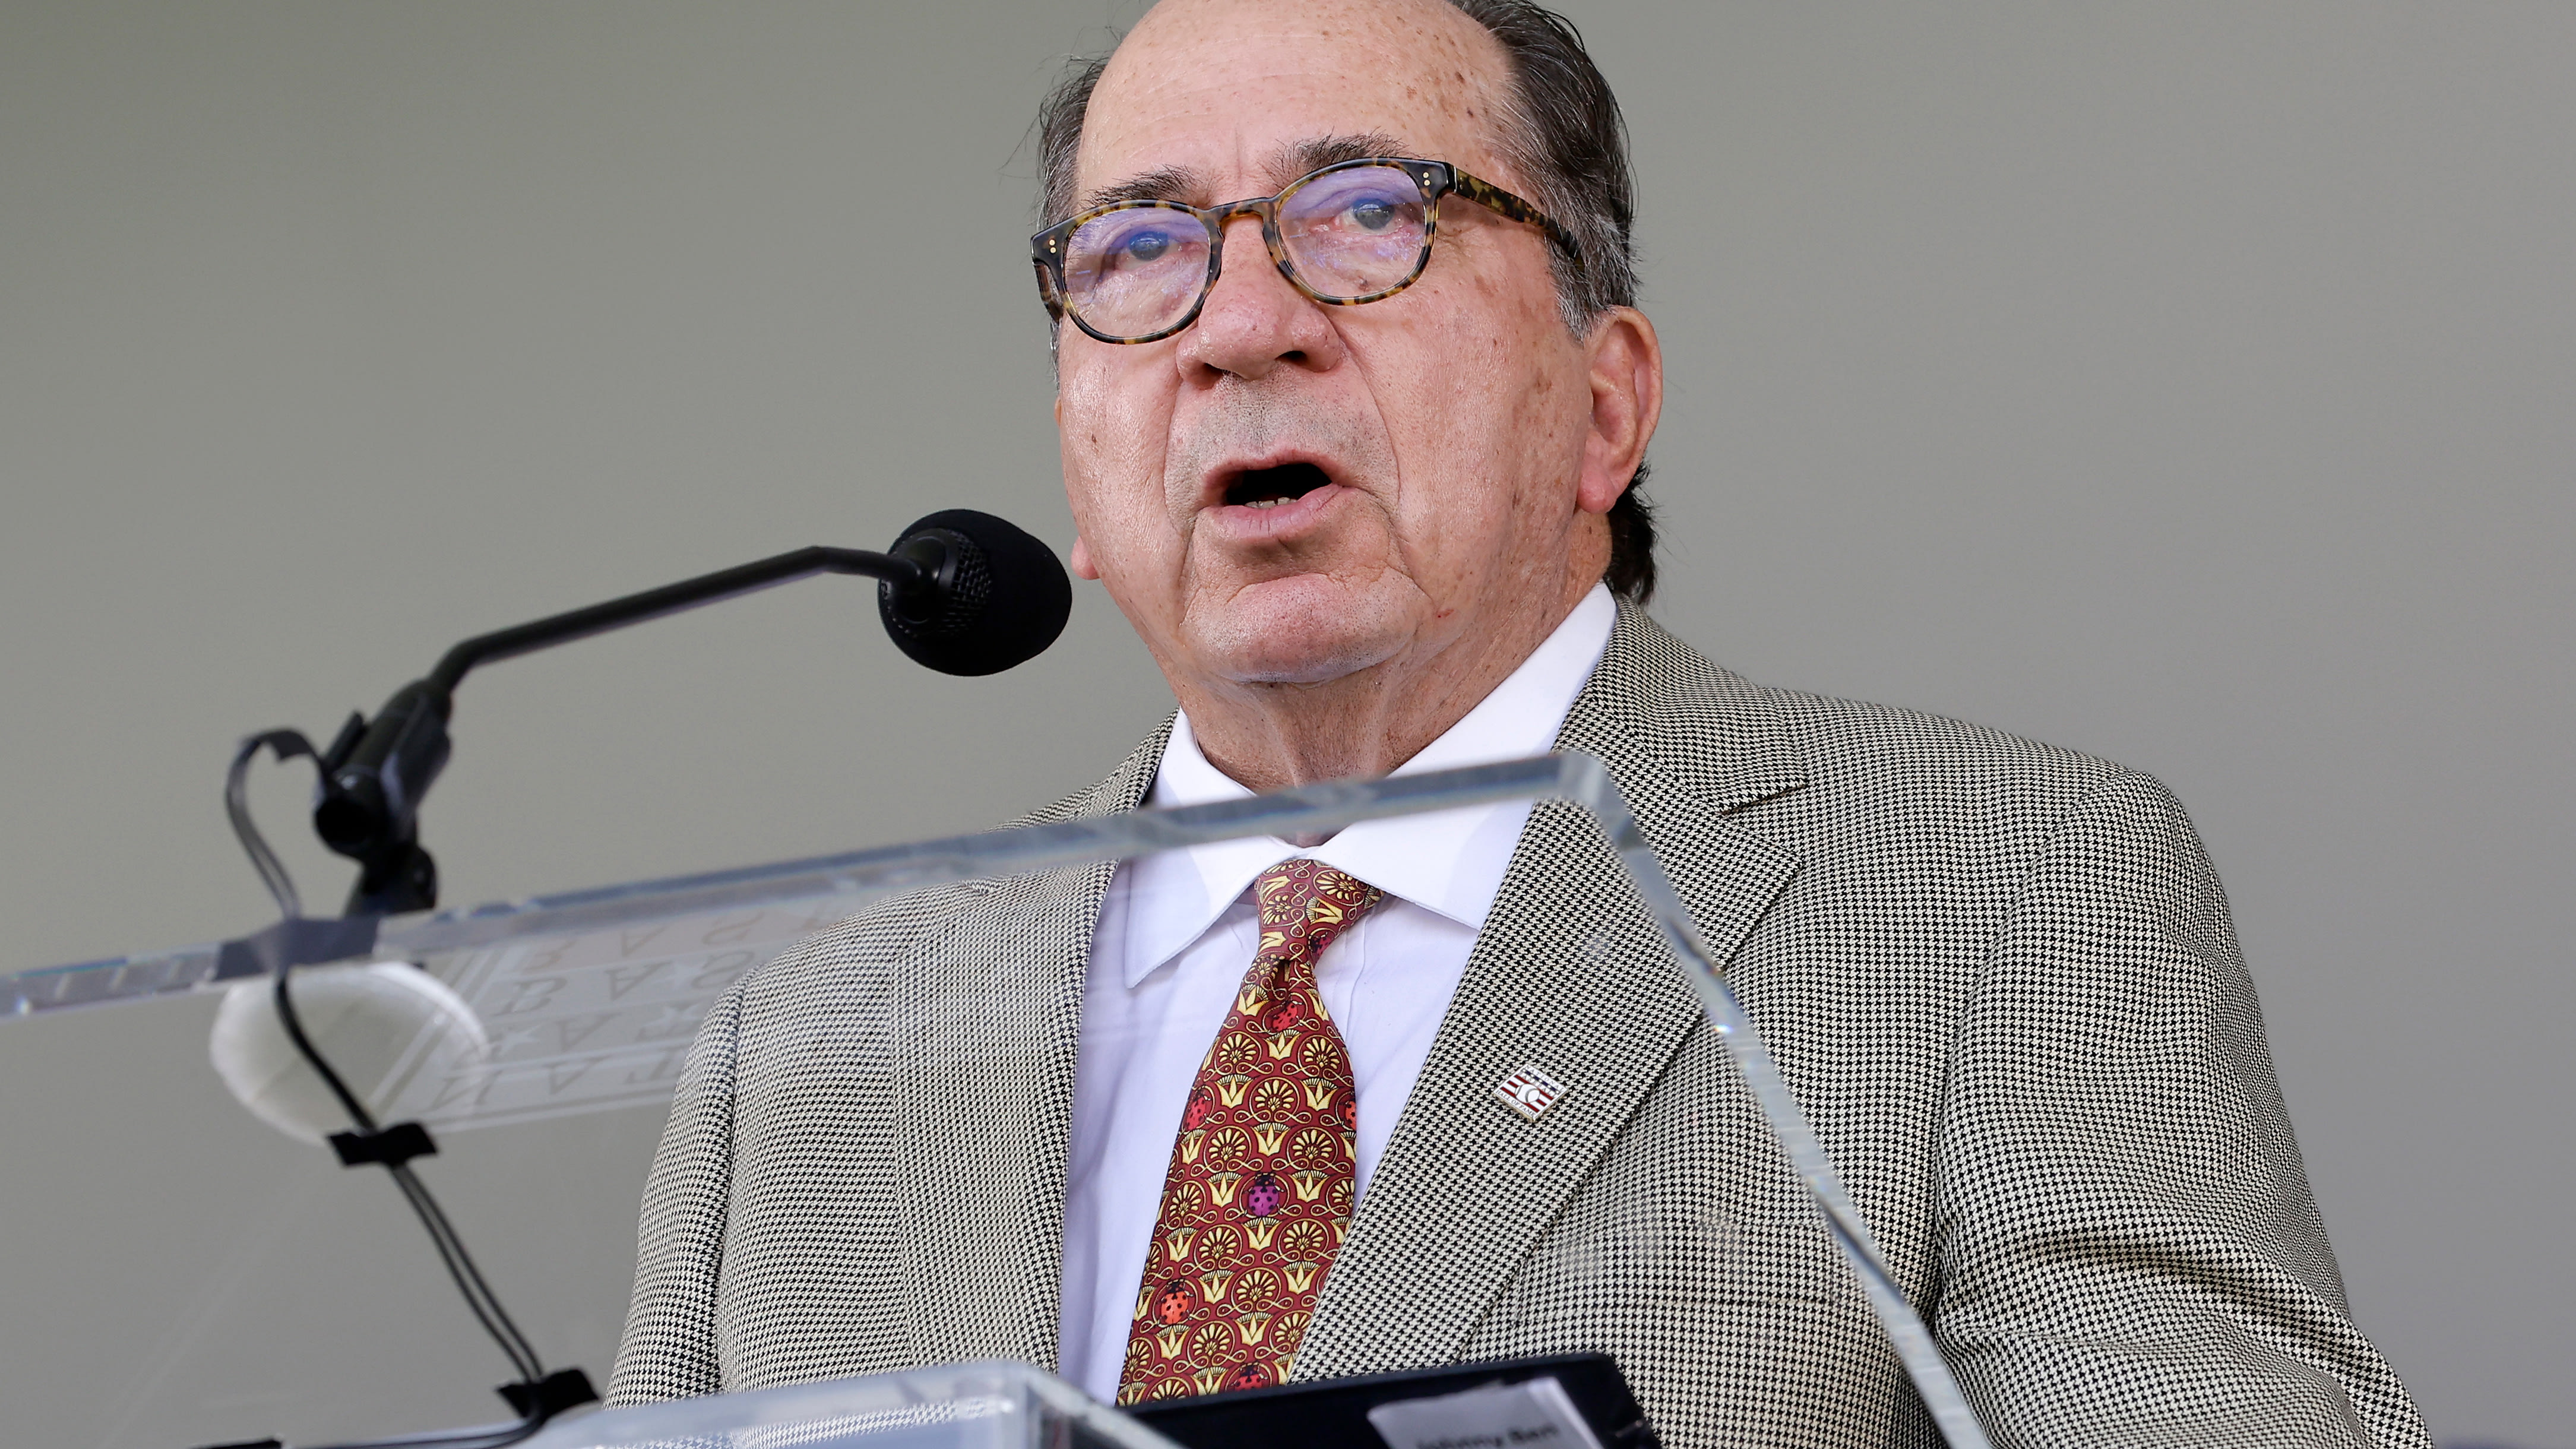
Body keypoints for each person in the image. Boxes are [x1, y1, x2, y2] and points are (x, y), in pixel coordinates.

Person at [609, 2, 2430, 1444]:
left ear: (1601, 404)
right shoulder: (810, 1044)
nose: (1237, 327)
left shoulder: (1993, 893)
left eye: (1365, 218)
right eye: (1140, 249)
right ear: (1077, 459)